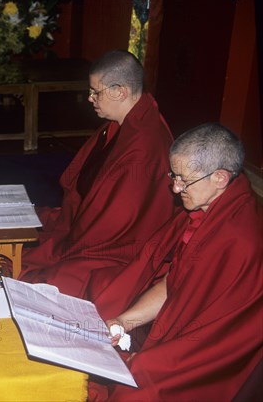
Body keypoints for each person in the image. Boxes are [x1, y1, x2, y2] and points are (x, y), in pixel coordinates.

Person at [89, 123, 262, 400]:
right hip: (180, 332)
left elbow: (219, 336)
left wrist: (151, 360)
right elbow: (176, 282)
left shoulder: (239, 240)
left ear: (220, 177)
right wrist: (125, 320)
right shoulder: (208, 210)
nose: (175, 187)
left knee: (137, 382)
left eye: (184, 180)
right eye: (173, 176)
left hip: (214, 357)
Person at [19, 50, 176, 298]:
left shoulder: (143, 146)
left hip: (121, 247)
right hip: (90, 224)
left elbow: (118, 224)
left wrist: (72, 243)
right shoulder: (125, 122)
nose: (90, 98)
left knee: (42, 279)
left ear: (119, 91)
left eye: (96, 92)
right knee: (31, 227)